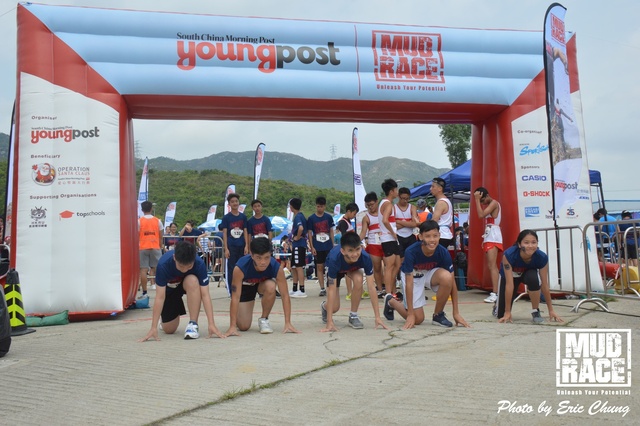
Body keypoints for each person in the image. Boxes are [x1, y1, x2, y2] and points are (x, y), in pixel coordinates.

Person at [384, 220, 470, 329]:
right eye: (428, 236)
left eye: (435, 236)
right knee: (418, 319)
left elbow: (452, 283)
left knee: (447, 277)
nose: (432, 240)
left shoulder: (443, 252)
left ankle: (438, 314)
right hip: (413, 276)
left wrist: (456, 313)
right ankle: (391, 301)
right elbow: (409, 284)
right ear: (420, 237)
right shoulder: (411, 251)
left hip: (430, 274)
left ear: (439, 235)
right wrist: (410, 314)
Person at [139, 241, 225, 341]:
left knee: (192, 280)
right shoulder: (163, 265)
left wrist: (211, 324)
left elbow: (205, 295)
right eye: (181, 266)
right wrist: (153, 327)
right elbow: (159, 297)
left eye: (188, 267)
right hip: (170, 290)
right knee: (169, 329)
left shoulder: (199, 264)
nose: (184, 270)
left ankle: (193, 324)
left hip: (188, 284)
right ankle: (163, 321)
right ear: (174, 258)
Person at [225, 238, 300, 336]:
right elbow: (235, 297)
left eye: (266, 257)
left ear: (271, 255)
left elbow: (285, 295)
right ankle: (240, 317)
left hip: (263, 285)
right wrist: (232, 326)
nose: (263, 262)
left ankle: (264, 319)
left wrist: (288, 322)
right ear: (251, 255)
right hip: (246, 287)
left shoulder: (276, 267)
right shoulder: (240, 267)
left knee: (271, 286)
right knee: (243, 326)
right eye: (259, 258)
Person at [320, 232, 389, 332]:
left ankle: (353, 315)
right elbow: (331, 290)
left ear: (361, 247)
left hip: (352, 268)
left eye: (357, 249)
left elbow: (371, 287)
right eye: (350, 250)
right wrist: (329, 321)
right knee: (335, 307)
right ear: (343, 251)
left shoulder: (365, 257)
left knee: (359, 279)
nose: (355, 254)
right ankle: (324, 306)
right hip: (337, 270)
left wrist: (377, 317)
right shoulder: (334, 259)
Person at [497, 230, 564, 324]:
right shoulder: (509, 255)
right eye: (526, 242)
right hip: (511, 276)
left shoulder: (542, 257)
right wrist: (507, 312)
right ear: (519, 244)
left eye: (533, 242)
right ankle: (497, 307)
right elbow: (509, 284)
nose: (530, 246)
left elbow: (545, 285)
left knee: (533, 278)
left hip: (527, 273)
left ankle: (535, 311)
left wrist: (551, 310)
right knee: (501, 314)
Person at [473, 187, 503, 304]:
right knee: (491, 265)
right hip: (489, 235)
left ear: (486, 196)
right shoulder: (490, 204)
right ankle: (496, 292)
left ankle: (495, 293)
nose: (482, 203)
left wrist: (476, 200)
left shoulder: (494, 203)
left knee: (492, 265)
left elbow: (480, 215)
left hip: (493, 235)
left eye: (482, 200)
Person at [220, 193, 249, 296]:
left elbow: (245, 231)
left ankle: (242, 290)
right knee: (231, 269)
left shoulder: (243, 217)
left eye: (236, 201)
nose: (235, 203)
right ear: (229, 204)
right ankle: (232, 291)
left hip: (241, 246)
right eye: (232, 202)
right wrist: (226, 248)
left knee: (242, 267)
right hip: (231, 246)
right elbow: (224, 233)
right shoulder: (226, 218)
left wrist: (246, 245)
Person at [307, 196, 335, 297]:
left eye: (322, 206)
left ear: (325, 206)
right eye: (318, 206)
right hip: (317, 245)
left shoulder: (328, 217)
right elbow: (309, 233)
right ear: (316, 206)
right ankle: (322, 288)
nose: (320, 208)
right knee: (319, 266)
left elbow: (331, 231)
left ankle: (331, 285)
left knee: (330, 266)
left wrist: (333, 245)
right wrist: (312, 247)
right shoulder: (311, 218)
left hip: (328, 245)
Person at [359, 192, 385, 298]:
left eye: (372, 204)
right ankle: (380, 289)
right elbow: (363, 233)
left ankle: (388, 288)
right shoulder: (366, 218)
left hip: (386, 242)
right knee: (377, 268)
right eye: (368, 205)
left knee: (388, 267)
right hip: (374, 244)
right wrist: (355, 242)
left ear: (377, 202)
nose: (370, 207)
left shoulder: (384, 213)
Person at [379, 178, 402, 298]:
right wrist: (393, 232)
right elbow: (385, 220)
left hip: (391, 239)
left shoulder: (383, 203)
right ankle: (388, 293)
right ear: (392, 191)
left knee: (397, 264)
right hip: (388, 238)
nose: (397, 192)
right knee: (389, 267)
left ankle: (392, 290)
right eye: (396, 190)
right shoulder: (388, 204)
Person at [335, 202, 361, 300]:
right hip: (347, 251)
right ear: (349, 211)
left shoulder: (348, 222)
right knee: (348, 271)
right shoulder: (343, 223)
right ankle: (349, 292)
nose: (354, 216)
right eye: (354, 214)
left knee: (352, 270)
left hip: (350, 250)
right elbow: (344, 237)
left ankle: (357, 290)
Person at [138, 200, 163, 299]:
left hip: (143, 247)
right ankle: (162, 289)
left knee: (143, 270)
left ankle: (145, 292)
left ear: (142, 210)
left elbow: (137, 235)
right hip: (155, 246)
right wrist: (160, 246)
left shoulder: (139, 221)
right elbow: (161, 236)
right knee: (159, 268)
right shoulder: (158, 221)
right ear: (151, 209)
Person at [289, 198, 308, 297]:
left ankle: (302, 289)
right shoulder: (301, 216)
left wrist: (297, 237)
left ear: (291, 207)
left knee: (299, 266)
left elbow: (301, 228)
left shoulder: (298, 217)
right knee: (294, 266)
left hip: (299, 244)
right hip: (297, 245)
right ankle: (295, 288)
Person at [430, 177, 454, 248]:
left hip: (441, 234)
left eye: (433, 186)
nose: (430, 189)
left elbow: (434, 221)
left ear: (440, 189)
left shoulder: (441, 202)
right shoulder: (446, 201)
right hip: (445, 233)